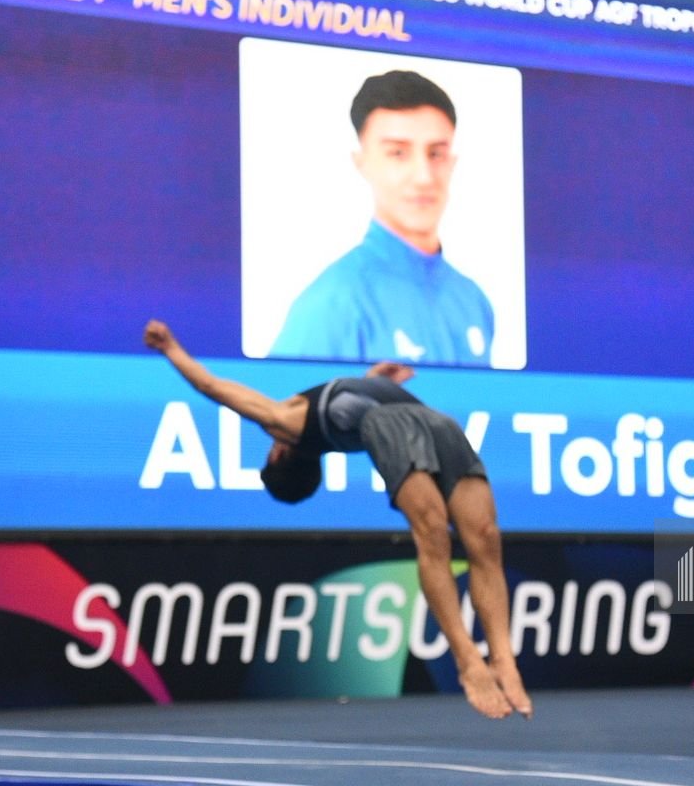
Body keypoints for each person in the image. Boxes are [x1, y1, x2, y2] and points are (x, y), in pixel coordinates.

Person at [146, 318, 532, 720]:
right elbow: (212, 388)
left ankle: (504, 659)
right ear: (281, 454)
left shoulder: (324, 421)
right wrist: (171, 348)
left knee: (485, 537)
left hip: (434, 422)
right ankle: (468, 659)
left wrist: (373, 380)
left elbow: (353, 404)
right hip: (395, 425)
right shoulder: (285, 422)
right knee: (433, 532)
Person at [269, 70, 495, 367]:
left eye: (436, 153)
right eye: (398, 153)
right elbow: (275, 409)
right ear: (362, 162)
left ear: (452, 162)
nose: (424, 177)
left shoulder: (472, 301)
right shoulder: (335, 302)